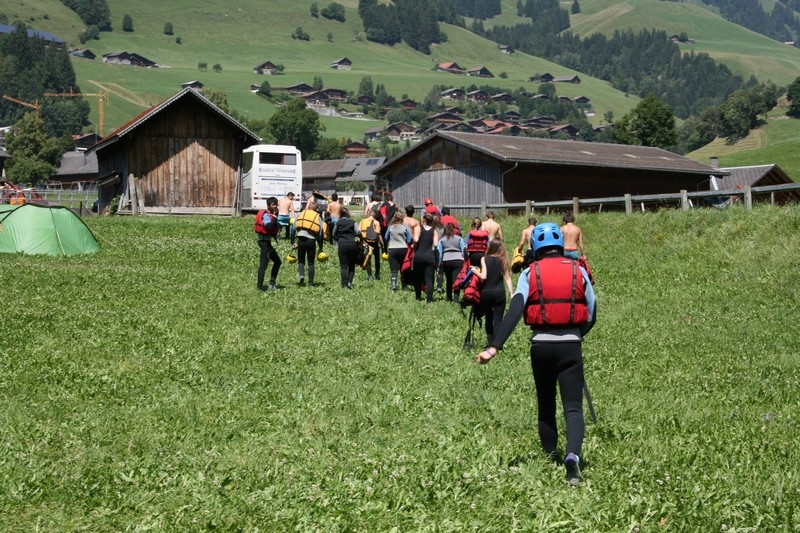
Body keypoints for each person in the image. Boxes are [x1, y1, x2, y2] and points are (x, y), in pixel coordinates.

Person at [475, 223, 596, 487]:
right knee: (573, 408)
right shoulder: (579, 270)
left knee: (546, 404)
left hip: (541, 346)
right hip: (571, 344)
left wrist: (494, 346)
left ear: (536, 248)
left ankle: (550, 456)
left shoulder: (529, 273)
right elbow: (592, 309)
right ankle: (572, 455)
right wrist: (578, 333)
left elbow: (516, 308)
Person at [472, 239, 513, 346]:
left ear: (490, 247)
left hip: (487, 292)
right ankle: (497, 345)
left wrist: (475, 271)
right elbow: (507, 278)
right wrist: (511, 293)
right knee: (498, 320)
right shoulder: (503, 260)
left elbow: (484, 276)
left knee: (489, 318)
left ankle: (490, 344)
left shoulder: (484, 259)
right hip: (499, 292)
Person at [290, 197, 324, 287]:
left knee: (301, 260)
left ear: (308, 208)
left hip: (300, 239)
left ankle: (301, 276)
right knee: (311, 262)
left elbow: (293, 228)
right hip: (311, 240)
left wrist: (292, 241)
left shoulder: (302, 214)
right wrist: (321, 247)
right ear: (316, 209)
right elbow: (321, 234)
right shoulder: (318, 217)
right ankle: (311, 283)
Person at [256, 196, 282, 292]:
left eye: (276, 204)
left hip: (267, 242)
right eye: (273, 204)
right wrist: (276, 218)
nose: (275, 206)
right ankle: (260, 287)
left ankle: (272, 284)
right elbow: (269, 226)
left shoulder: (272, 215)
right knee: (264, 264)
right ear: (268, 205)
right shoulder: (266, 215)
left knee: (277, 262)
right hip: (263, 242)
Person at [437, 222, 466, 303]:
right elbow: (463, 249)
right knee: (456, 280)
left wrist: (439, 266)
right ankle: (456, 300)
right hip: (458, 260)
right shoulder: (459, 238)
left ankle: (449, 298)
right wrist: (465, 260)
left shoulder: (442, 240)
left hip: (446, 261)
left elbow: (439, 253)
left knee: (448, 280)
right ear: (453, 230)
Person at [413, 212, 439, 303]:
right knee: (429, 279)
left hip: (419, 255)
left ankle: (418, 297)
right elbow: (436, 245)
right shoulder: (434, 230)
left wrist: (414, 245)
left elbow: (416, 239)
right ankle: (429, 299)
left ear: (423, 219)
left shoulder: (418, 228)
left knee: (418, 277)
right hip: (429, 256)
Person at [334, 207, 362, 289]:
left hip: (342, 244)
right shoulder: (353, 222)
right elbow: (358, 232)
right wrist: (358, 237)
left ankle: (344, 285)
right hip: (352, 244)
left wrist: (338, 239)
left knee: (343, 266)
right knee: (351, 265)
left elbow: (333, 233)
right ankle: (349, 282)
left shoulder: (338, 223)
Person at [385, 210, 413, 291]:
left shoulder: (390, 227)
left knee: (394, 269)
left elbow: (386, 238)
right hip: (403, 249)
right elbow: (409, 238)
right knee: (403, 269)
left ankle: (393, 285)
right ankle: (404, 286)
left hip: (392, 249)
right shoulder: (405, 227)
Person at [359, 207, 385, 281]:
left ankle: (370, 275)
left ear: (369, 213)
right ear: (376, 215)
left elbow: (358, 231)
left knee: (367, 259)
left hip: (365, 242)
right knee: (377, 259)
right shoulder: (376, 222)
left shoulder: (362, 221)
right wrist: (382, 244)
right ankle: (377, 275)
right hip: (374, 243)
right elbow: (378, 234)